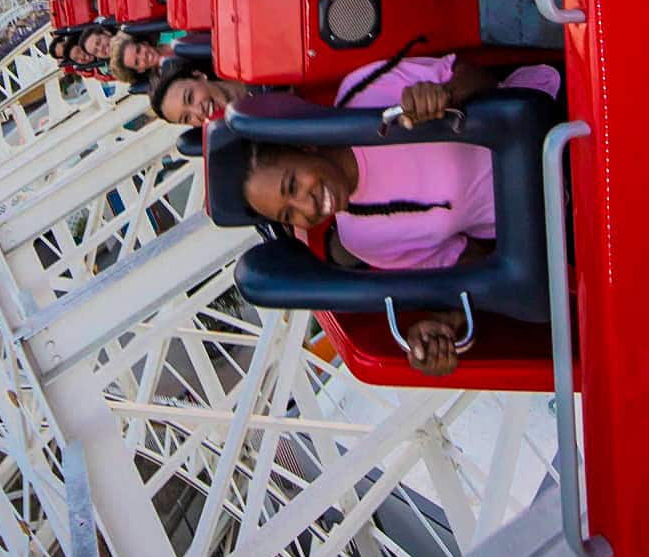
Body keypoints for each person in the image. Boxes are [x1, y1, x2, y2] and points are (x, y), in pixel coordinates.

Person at [239, 51, 560, 375]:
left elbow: (477, 76)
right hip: (558, 213)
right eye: (287, 214)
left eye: (292, 186)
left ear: (303, 147)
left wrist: (443, 96)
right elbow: (470, 261)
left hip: (558, 117)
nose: (306, 207)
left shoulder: (363, 92)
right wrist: (443, 325)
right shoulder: (362, 242)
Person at [149, 59, 250, 126]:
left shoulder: (247, 61)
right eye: (187, 117)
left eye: (189, 98)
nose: (199, 112)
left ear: (199, 76)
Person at [108, 31, 177, 84]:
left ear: (144, 43)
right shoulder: (166, 79)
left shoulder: (168, 31)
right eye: (137, 62)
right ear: (140, 70)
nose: (143, 56)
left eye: (138, 50)